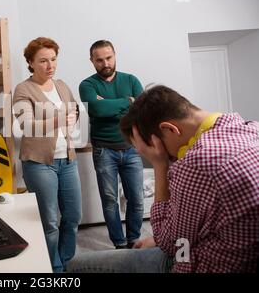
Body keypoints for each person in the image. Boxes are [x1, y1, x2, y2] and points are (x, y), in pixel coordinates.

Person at [68, 85, 259, 272]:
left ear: (169, 129)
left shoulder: (198, 163)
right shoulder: (250, 128)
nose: (171, 158)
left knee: (75, 265)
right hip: (210, 244)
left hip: (197, 261)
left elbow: (169, 243)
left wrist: (160, 165)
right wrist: (160, 239)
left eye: (159, 150)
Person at [13, 37, 82, 272]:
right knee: (50, 222)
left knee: (73, 216)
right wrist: (59, 119)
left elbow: (74, 109)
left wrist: (72, 120)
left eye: (53, 59)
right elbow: (27, 124)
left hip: (68, 160)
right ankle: (54, 268)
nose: (50, 65)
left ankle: (65, 260)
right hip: (39, 164)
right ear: (31, 63)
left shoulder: (61, 85)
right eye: (43, 61)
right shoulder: (23, 89)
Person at [79, 40, 144, 249]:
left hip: (132, 148)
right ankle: (119, 243)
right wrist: (128, 102)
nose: (105, 63)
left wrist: (107, 103)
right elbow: (97, 111)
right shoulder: (87, 85)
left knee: (137, 199)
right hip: (104, 150)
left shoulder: (131, 79)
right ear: (92, 61)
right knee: (109, 201)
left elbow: (141, 111)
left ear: (115, 55)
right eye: (99, 60)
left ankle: (133, 239)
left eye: (109, 58)